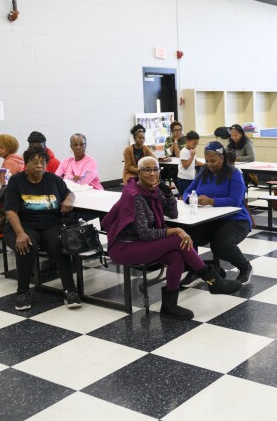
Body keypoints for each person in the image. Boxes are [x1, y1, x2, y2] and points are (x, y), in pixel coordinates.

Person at [102, 157, 241, 319]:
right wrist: (176, 230)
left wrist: (166, 191)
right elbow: (144, 233)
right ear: (139, 172)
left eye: (155, 169)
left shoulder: (151, 190)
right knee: (177, 239)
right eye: (147, 170)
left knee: (176, 256)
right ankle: (213, 281)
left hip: (140, 244)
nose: (153, 173)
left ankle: (169, 306)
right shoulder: (135, 196)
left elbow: (172, 213)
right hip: (125, 247)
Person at [3, 146, 81, 311]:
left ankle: (70, 290)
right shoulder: (16, 181)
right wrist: (20, 233)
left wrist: (69, 200)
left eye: (42, 162)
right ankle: (22, 292)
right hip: (23, 225)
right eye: (35, 162)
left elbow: (70, 193)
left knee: (60, 244)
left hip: (51, 225)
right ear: (26, 164)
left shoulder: (53, 179)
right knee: (26, 245)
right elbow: (10, 211)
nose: (39, 166)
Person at [180, 142, 254, 286]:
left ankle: (245, 268)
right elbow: (187, 192)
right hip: (208, 219)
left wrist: (211, 201)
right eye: (207, 161)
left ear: (222, 158)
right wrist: (192, 199)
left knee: (220, 244)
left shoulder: (234, 174)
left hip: (235, 219)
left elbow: (235, 200)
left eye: (213, 161)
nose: (209, 164)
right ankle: (196, 269)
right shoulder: (203, 173)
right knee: (189, 236)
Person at [175, 130, 202, 197]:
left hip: (191, 177)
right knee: (183, 195)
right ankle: (180, 206)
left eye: (196, 144)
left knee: (190, 194)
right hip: (183, 177)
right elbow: (185, 166)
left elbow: (195, 162)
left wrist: (206, 165)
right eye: (194, 144)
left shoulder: (191, 151)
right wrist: (192, 156)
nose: (195, 146)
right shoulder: (184, 151)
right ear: (187, 141)